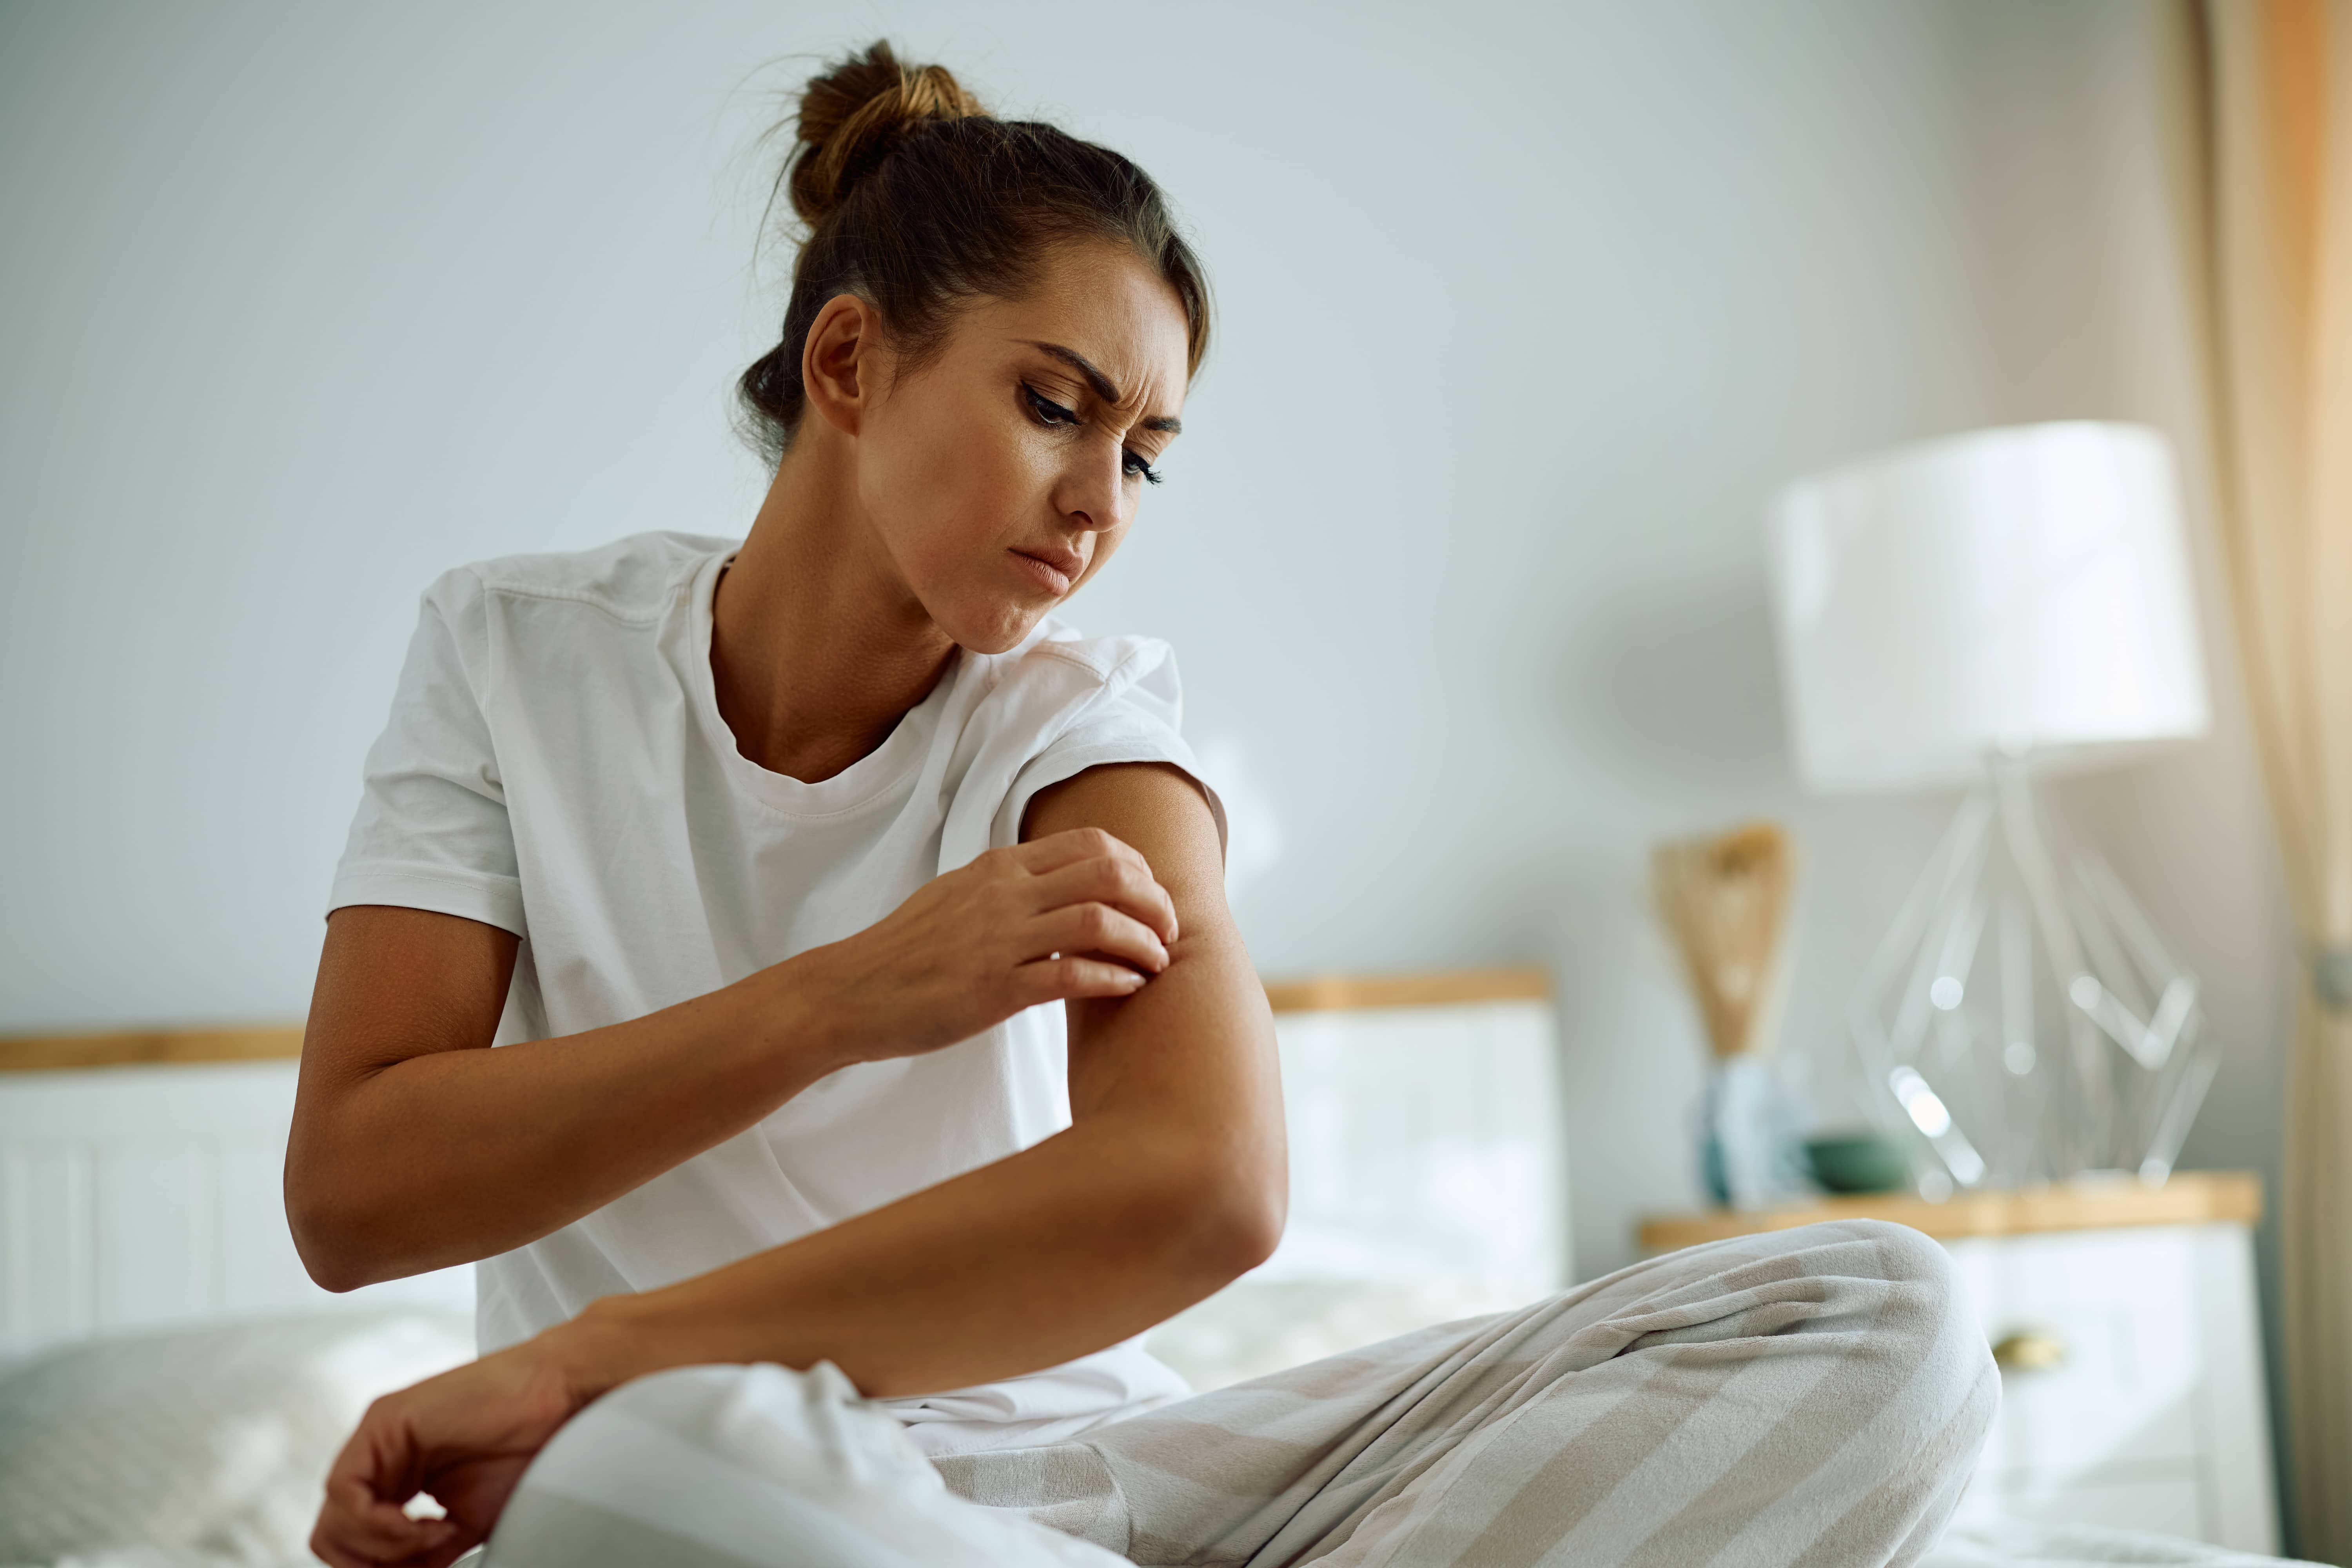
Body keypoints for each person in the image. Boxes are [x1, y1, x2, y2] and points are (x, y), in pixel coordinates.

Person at [292, 42, 1996, 1568]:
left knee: (1885, 1313)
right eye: (1058, 407)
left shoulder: (1082, 734)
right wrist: (841, 1000)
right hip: (754, 1486)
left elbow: (1209, 1185)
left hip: (1121, 1475)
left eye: (1147, 454)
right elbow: (354, 1195)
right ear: (849, 362)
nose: (1102, 503)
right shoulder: (515, 655)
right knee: (629, 1484)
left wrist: (582, 1360)